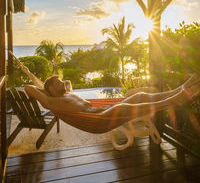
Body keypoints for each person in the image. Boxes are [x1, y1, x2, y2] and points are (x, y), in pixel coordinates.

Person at [24, 74, 200, 119]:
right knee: (131, 102)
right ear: (51, 90)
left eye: (59, 81)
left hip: (103, 110)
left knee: (140, 95)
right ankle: (176, 97)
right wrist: (46, 90)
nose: (61, 83)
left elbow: (68, 82)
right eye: (57, 83)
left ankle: (179, 90)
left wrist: (57, 84)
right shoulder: (51, 101)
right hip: (98, 117)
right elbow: (28, 87)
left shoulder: (67, 92)